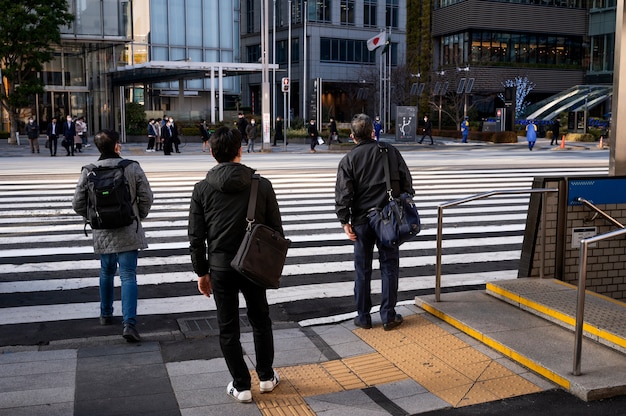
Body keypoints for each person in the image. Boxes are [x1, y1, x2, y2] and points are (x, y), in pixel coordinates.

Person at [188, 126, 283, 403]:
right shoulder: (260, 185)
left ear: (212, 152)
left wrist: (201, 272)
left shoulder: (202, 189)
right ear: (240, 151)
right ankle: (266, 377)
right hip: (253, 265)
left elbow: (196, 236)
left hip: (220, 268)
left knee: (227, 326)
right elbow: (275, 230)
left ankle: (241, 385)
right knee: (260, 319)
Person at [72, 129, 154, 342]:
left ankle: (105, 314)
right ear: (117, 146)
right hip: (128, 228)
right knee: (128, 275)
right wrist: (138, 215)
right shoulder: (132, 167)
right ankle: (129, 324)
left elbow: (77, 204)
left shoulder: (89, 171)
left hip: (102, 230)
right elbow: (147, 197)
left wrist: (94, 218)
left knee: (106, 271)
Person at [335, 114, 414, 331]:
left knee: (362, 269)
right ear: (373, 132)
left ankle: (363, 317)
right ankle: (388, 315)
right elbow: (407, 183)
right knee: (389, 266)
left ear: (352, 136)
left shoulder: (348, 160)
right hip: (388, 220)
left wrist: (344, 221)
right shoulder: (390, 152)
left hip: (361, 221)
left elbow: (344, 194)